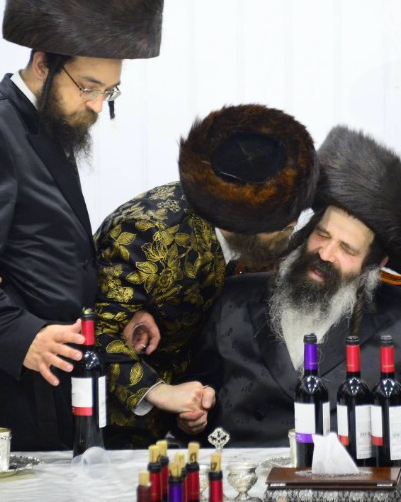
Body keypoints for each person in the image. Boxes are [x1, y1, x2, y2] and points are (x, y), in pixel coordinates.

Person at [0, 0, 166, 451]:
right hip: (12, 389)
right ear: (42, 63)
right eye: (88, 87)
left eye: (109, 92)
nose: (96, 106)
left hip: (60, 377)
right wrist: (24, 336)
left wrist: (115, 316)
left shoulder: (47, 123)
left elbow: (46, 255)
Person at [179, 126, 401, 448]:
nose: (326, 254)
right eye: (322, 235)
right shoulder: (233, 298)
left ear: (375, 264)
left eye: (347, 249)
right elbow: (189, 403)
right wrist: (190, 416)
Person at [94, 104, 319, 448]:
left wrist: (191, 402)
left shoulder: (239, 239)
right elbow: (94, 333)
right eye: (283, 222)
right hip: (110, 437)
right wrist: (160, 392)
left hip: (179, 428)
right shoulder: (150, 231)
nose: (291, 227)